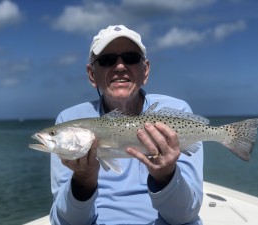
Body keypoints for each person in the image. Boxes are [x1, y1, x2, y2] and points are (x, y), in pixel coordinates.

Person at [50, 25, 203, 225]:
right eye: (107, 60)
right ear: (91, 75)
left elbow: (185, 216)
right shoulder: (68, 120)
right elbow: (67, 222)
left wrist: (166, 175)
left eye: (131, 58)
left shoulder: (178, 110)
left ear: (145, 70)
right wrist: (83, 181)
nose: (120, 66)